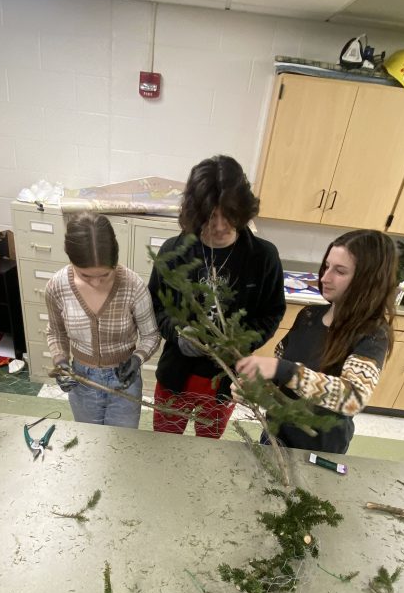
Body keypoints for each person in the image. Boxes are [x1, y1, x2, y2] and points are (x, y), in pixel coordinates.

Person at [148, 155, 285, 438]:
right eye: (211, 216)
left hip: (225, 380)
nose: (221, 226)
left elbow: (272, 313)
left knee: (208, 447)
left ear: (243, 209)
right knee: (163, 441)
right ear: (195, 213)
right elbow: (157, 306)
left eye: (230, 215)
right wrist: (178, 334)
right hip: (176, 376)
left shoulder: (263, 258)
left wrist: (238, 342)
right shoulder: (174, 252)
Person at [236, 229, 396, 454]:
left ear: (367, 280)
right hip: (275, 435)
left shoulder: (373, 334)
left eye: (339, 271)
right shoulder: (308, 316)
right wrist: (254, 386)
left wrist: (286, 370)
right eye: (326, 266)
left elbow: (353, 397)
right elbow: (281, 377)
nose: (324, 278)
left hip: (319, 449)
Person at [45, 212, 160, 427]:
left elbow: (151, 335)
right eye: (85, 276)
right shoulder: (56, 286)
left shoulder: (133, 285)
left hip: (124, 381)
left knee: (124, 442)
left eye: (105, 275)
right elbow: (56, 332)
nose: (96, 283)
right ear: (71, 260)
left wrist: (137, 359)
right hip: (82, 380)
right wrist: (60, 362)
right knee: (89, 441)